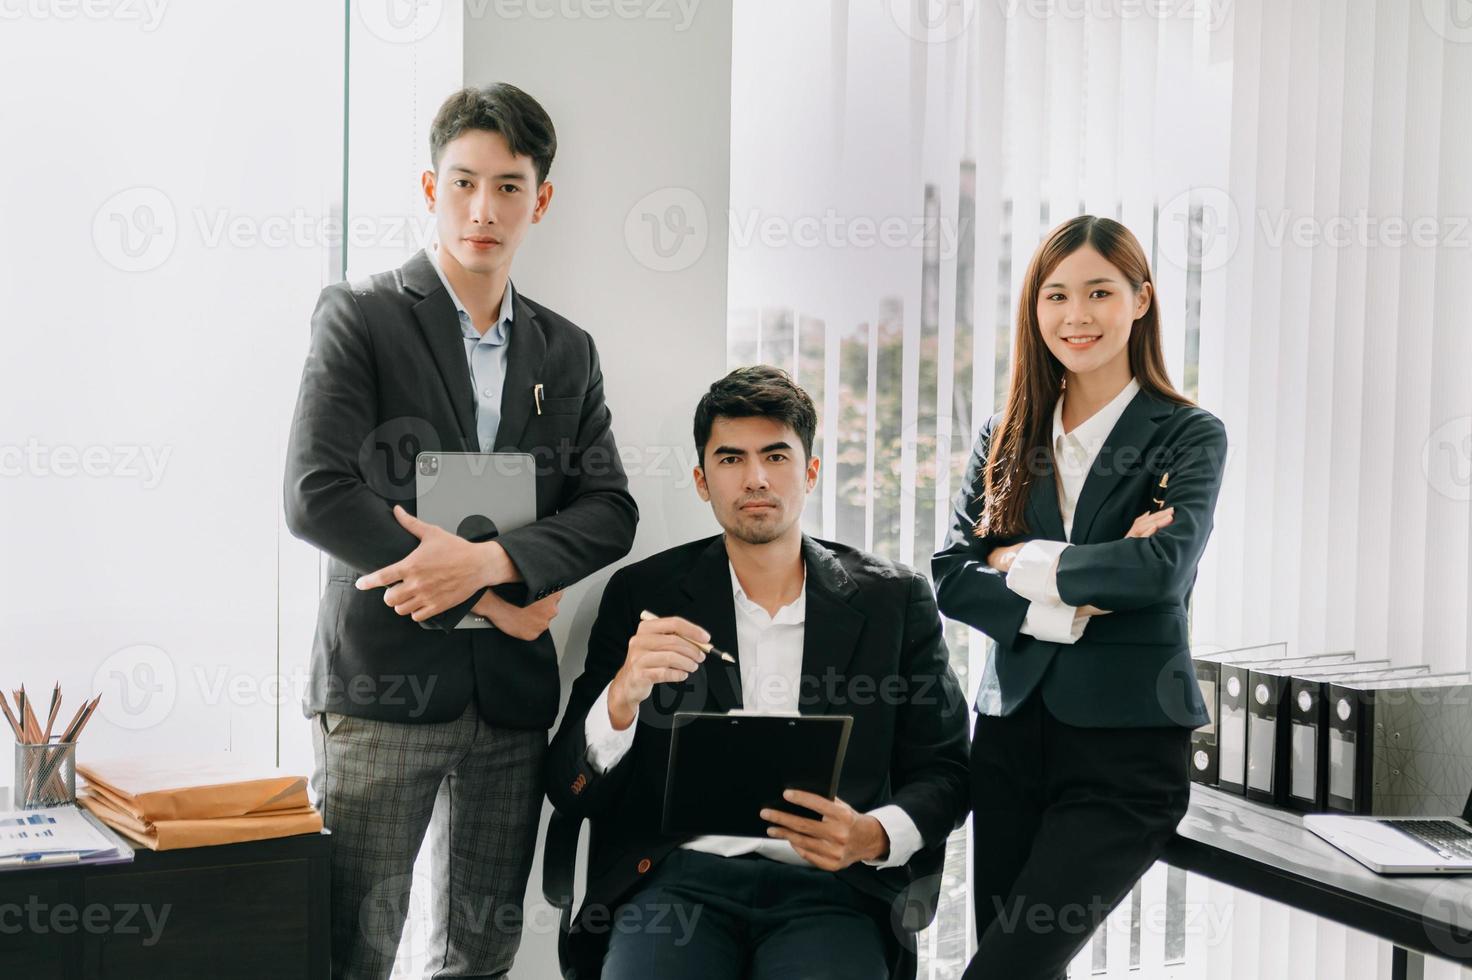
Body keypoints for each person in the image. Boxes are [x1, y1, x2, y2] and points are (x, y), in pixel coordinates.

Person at [283, 83, 638, 979]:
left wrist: (494, 560)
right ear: (430, 187)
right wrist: (491, 593)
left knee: (481, 955)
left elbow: (609, 509)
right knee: (350, 954)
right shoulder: (360, 316)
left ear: (541, 200)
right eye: (464, 182)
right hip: (381, 690)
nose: (485, 210)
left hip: (510, 706)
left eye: (510, 187)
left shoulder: (569, 350)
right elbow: (316, 495)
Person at [544, 366, 969, 980]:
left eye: (776, 455)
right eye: (731, 459)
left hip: (831, 890)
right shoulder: (645, 593)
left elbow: (948, 770)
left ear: (811, 471)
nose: (756, 479)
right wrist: (620, 699)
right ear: (701, 479)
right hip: (674, 886)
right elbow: (568, 787)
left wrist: (873, 835)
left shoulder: (893, 601)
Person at [933, 215, 1228, 979]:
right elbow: (950, 575)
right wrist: (1073, 588)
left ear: (1141, 301)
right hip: (1007, 741)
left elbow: (1158, 570)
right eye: (1056, 295)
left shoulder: (1187, 435)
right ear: (1034, 310)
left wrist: (1018, 559)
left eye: (1099, 292)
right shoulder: (1007, 433)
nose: (1077, 316)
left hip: (1124, 756)